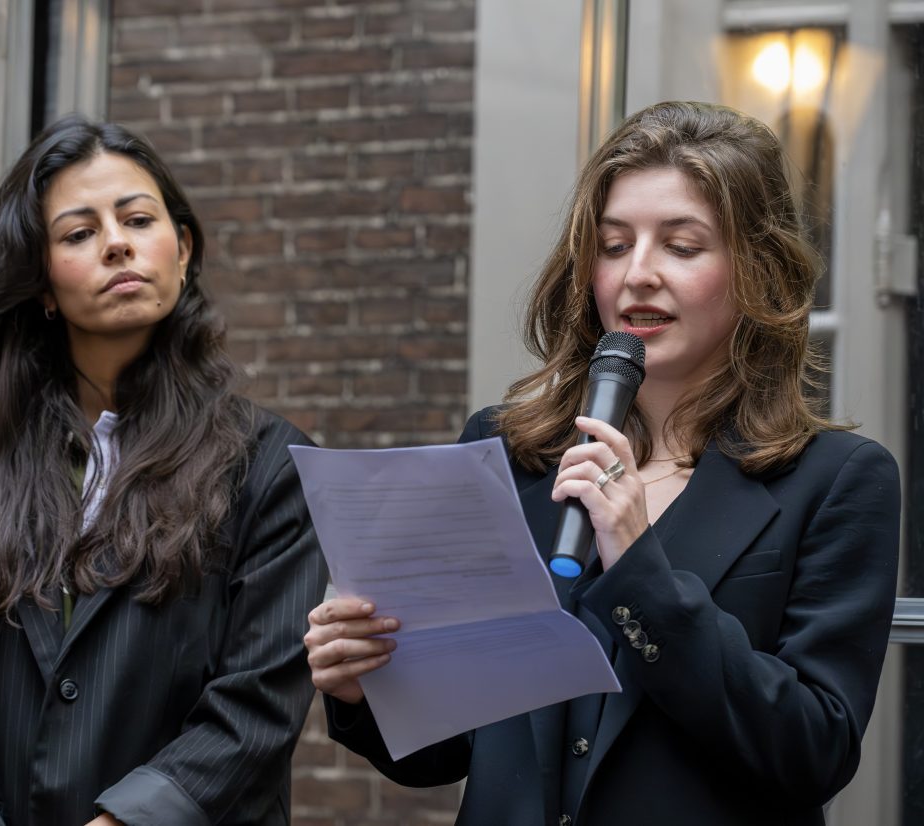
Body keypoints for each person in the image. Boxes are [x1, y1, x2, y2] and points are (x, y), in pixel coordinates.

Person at [304, 101, 901, 825]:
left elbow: (814, 750)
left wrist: (638, 565)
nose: (637, 274)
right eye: (614, 245)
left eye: (682, 246)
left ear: (759, 269)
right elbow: (452, 750)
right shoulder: (506, 453)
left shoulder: (835, 480)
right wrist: (362, 690)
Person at [0, 115, 328, 826]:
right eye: (79, 233)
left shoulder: (269, 464)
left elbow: (257, 705)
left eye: (137, 219)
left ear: (183, 249)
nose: (118, 244)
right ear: (40, 282)